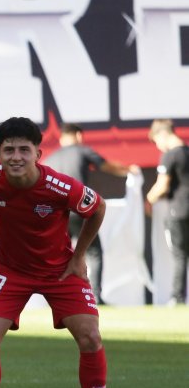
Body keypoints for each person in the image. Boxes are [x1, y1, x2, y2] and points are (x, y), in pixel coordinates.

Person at [0, 117, 112, 388]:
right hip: (10, 270)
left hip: (60, 270)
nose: (16, 156)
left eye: (24, 150)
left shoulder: (60, 186)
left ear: (38, 154)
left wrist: (78, 257)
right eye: (9, 150)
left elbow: (97, 207)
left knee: (90, 336)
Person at [43, 123, 138, 303]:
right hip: (78, 209)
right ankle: (94, 295)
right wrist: (128, 170)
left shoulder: (50, 159)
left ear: (62, 138)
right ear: (78, 135)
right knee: (94, 252)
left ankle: (56, 295)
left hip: (56, 214)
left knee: (58, 255)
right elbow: (107, 166)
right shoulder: (82, 151)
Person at [147, 119, 189, 306]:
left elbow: (162, 185)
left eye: (156, 142)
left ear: (162, 135)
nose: (158, 147)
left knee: (180, 255)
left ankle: (177, 297)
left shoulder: (170, 156)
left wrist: (148, 199)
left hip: (178, 211)